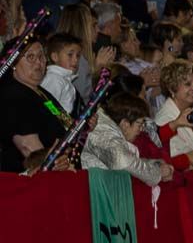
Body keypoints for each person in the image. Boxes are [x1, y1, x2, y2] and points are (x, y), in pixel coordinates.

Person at [0, 39, 73, 172]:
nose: (39, 62)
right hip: (34, 179)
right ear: (13, 64)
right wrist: (56, 162)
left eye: (41, 56)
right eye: (30, 57)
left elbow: (63, 120)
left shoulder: (40, 91)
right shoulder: (12, 96)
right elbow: (29, 149)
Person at [81, 91, 174, 186]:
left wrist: (156, 165)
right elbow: (123, 161)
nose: (141, 130)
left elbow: (130, 160)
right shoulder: (102, 132)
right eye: (140, 124)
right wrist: (158, 173)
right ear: (125, 124)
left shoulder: (110, 129)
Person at [40, 32, 83, 114]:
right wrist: (60, 117)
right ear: (55, 57)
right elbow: (47, 104)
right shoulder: (54, 79)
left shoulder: (63, 79)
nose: (76, 60)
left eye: (78, 56)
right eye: (70, 54)